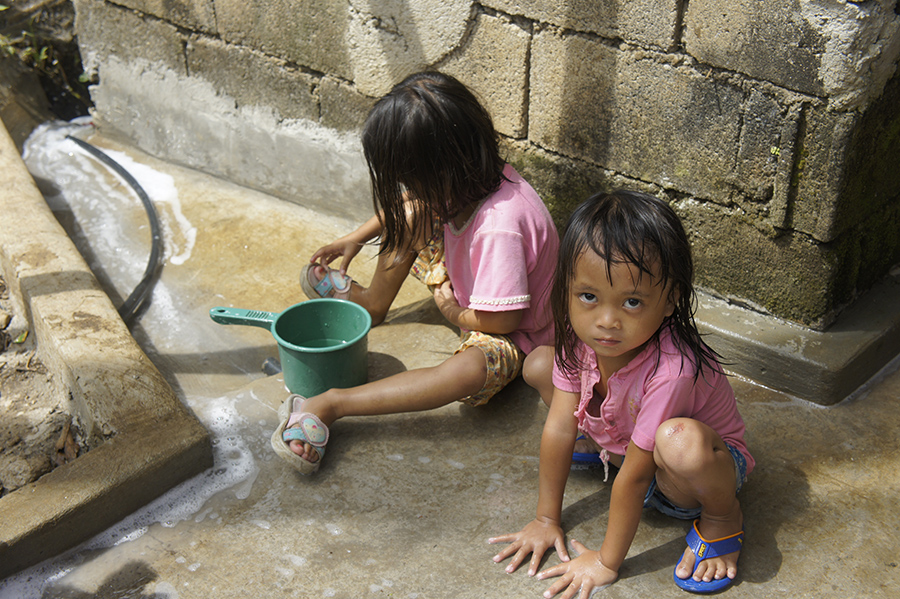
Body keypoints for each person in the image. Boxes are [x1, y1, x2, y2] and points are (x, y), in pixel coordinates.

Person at [272, 71, 559, 475]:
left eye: (411, 176)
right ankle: (372, 303)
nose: (407, 185)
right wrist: (357, 236)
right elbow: (412, 200)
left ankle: (330, 403)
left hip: (513, 332)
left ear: (442, 168)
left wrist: (451, 309)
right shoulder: (470, 177)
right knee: (412, 214)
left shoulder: (501, 224)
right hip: (470, 283)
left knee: (468, 371)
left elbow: (503, 320)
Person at [488, 190, 754, 596]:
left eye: (632, 301)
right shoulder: (580, 341)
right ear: (567, 289)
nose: (606, 321)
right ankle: (603, 444)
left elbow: (634, 477)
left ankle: (723, 518)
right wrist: (546, 519)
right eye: (588, 297)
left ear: (670, 300)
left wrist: (606, 561)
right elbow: (559, 427)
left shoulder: (673, 369)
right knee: (539, 364)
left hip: (683, 477)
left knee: (678, 442)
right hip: (629, 443)